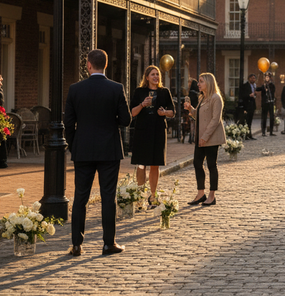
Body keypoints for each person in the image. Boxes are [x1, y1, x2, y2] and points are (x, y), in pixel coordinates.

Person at [64, 49, 131, 256]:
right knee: (108, 197)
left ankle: (76, 244)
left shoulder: (75, 89)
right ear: (106, 65)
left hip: (83, 149)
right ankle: (108, 243)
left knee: (80, 197)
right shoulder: (116, 88)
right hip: (109, 149)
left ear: (88, 65)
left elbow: (68, 123)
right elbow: (126, 120)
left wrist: (75, 144)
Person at [129, 65, 175, 207]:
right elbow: (132, 112)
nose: (156, 77)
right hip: (142, 131)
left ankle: (153, 196)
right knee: (141, 164)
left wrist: (164, 113)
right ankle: (140, 197)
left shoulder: (164, 92)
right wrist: (142, 104)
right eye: (153, 74)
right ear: (147, 77)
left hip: (158, 131)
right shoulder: (139, 92)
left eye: (157, 74)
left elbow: (172, 112)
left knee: (155, 165)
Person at [183, 73, 226, 207]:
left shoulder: (216, 98)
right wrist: (191, 109)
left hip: (211, 138)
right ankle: (201, 193)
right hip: (200, 137)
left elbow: (215, 120)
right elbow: (199, 116)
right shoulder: (203, 98)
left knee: (211, 165)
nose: (198, 84)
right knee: (197, 163)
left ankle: (212, 196)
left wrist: (205, 137)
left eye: (201, 81)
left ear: (208, 82)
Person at [241, 73, 258, 140]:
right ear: (249, 78)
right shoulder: (245, 86)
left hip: (252, 105)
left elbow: (254, 95)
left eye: (254, 78)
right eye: (252, 78)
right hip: (247, 105)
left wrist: (255, 94)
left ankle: (249, 134)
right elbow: (243, 95)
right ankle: (245, 135)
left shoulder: (254, 86)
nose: (254, 79)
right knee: (246, 121)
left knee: (250, 121)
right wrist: (249, 95)